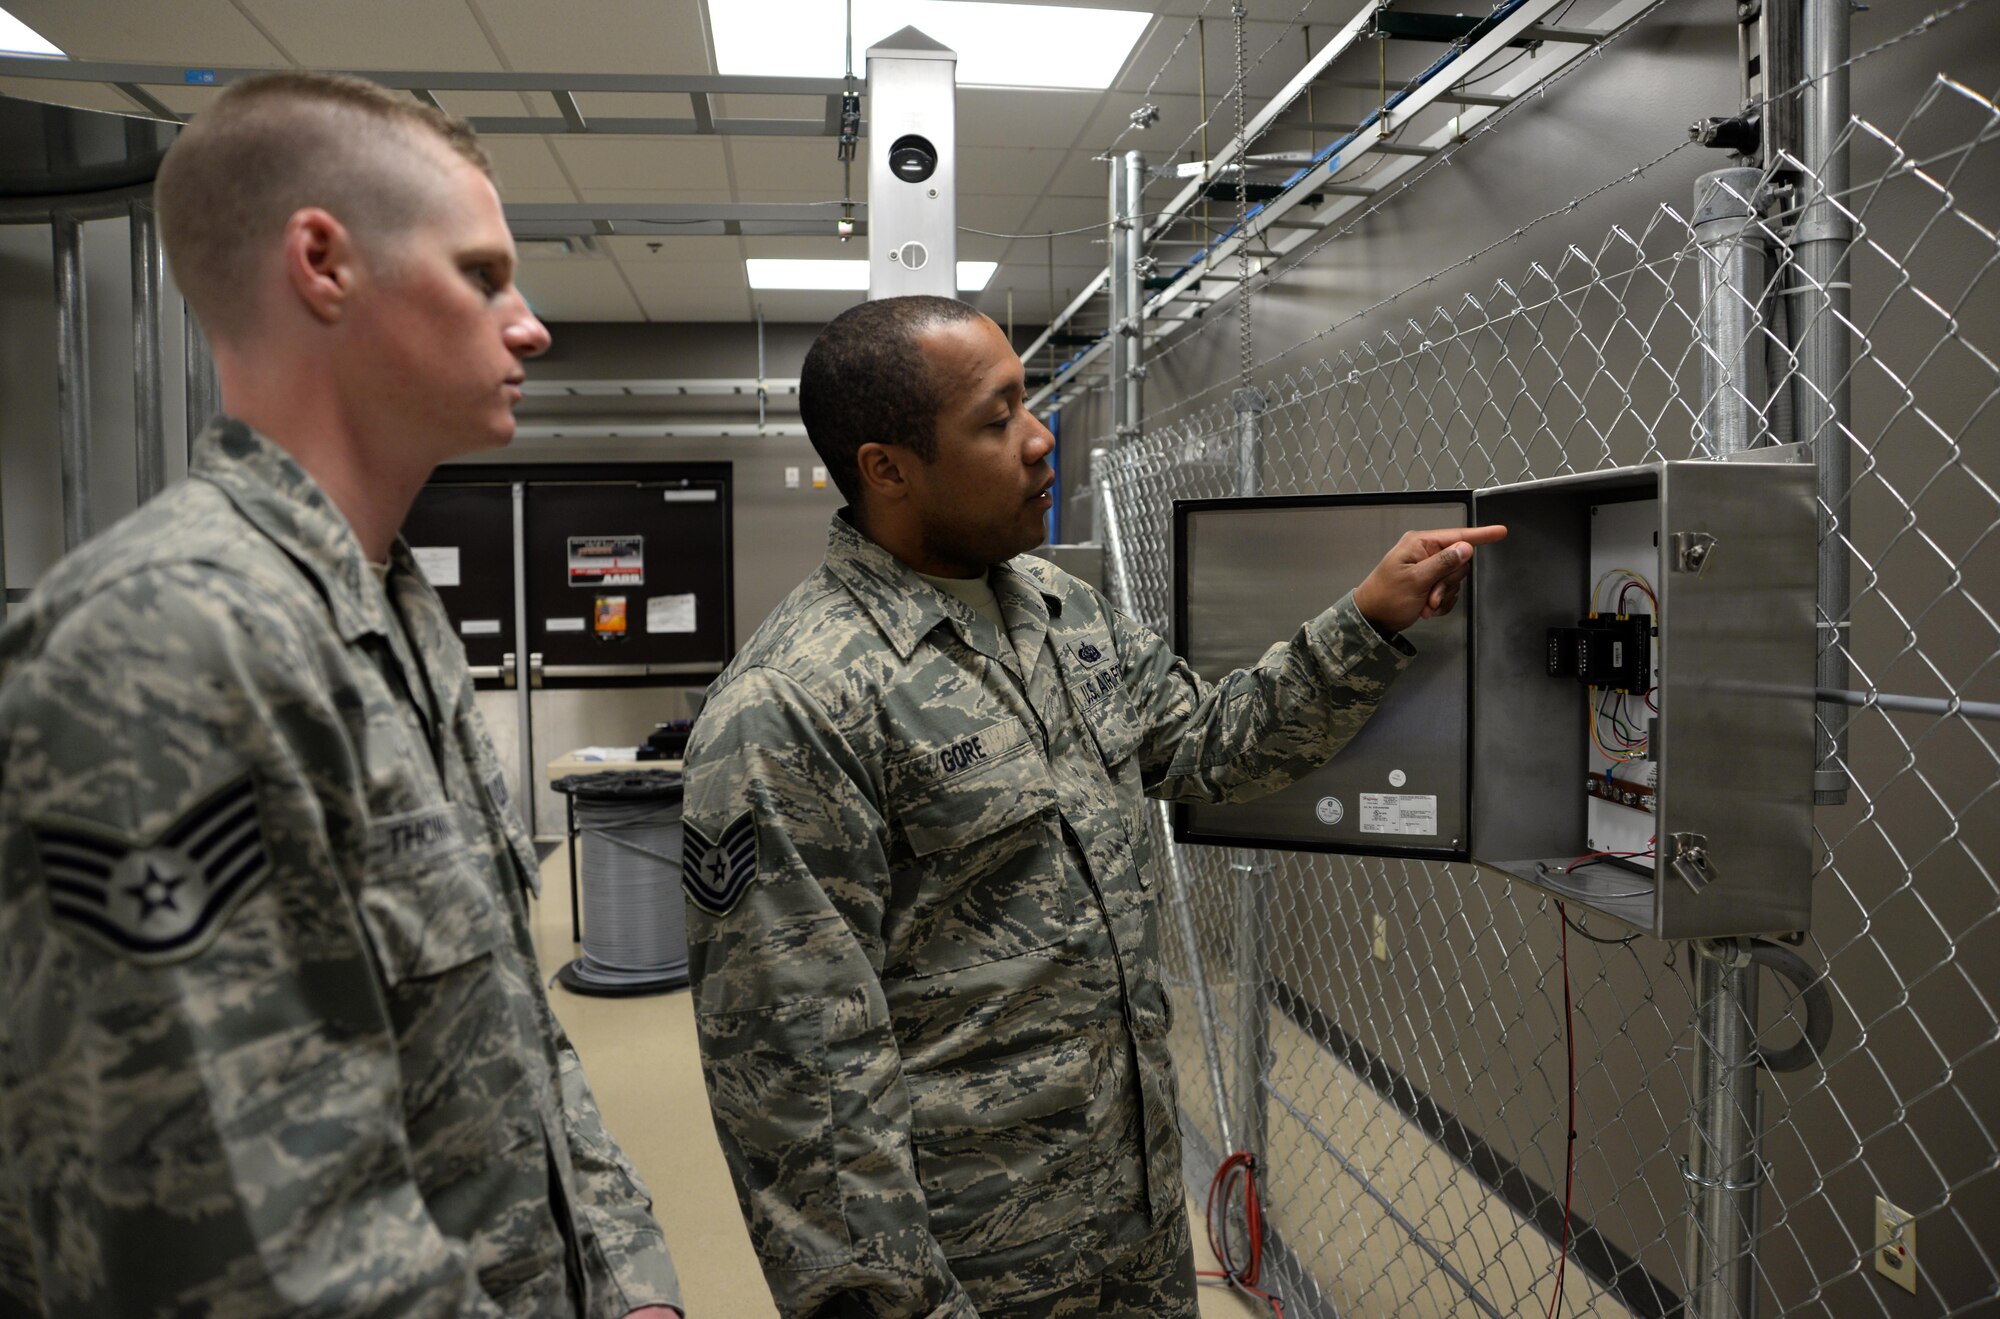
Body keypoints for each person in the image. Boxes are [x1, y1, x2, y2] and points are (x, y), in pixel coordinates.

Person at [0, 74, 681, 1318]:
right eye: (483, 276)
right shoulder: (169, 641)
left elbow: (504, 1034)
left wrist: (628, 1278)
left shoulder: (394, 613)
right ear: (324, 262)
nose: (528, 326)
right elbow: (244, 1255)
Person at [679, 294, 1505, 1318]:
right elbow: (800, 1079)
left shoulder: (1059, 611)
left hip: (1133, 1221)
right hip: (976, 1265)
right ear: (885, 467)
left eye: (1027, 403)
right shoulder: (793, 703)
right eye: (994, 419)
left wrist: (1365, 621)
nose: (1039, 440)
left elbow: (1209, 743)